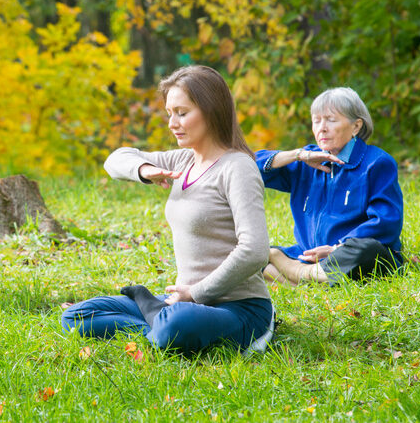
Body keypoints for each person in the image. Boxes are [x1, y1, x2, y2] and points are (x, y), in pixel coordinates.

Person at [61, 65, 275, 354]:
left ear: (211, 110)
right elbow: (115, 160)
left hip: (238, 307)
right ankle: (158, 321)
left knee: (180, 324)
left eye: (182, 113)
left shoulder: (238, 168)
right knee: (76, 317)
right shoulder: (183, 160)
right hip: (181, 302)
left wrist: (195, 293)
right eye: (169, 113)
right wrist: (145, 169)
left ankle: (158, 317)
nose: (172, 123)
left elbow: (255, 250)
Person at [256, 87, 404, 286]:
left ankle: (297, 276)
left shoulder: (377, 163)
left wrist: (336, 249)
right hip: (308, 255)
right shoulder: (306, 161)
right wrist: (298, 155)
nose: (321, 128)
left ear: (356, 126)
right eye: (316, 121)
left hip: (349, 255)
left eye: (331, 120)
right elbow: (249, 166)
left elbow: (386, 222)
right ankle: (314, 278)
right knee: (252, 258)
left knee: (368, 251)